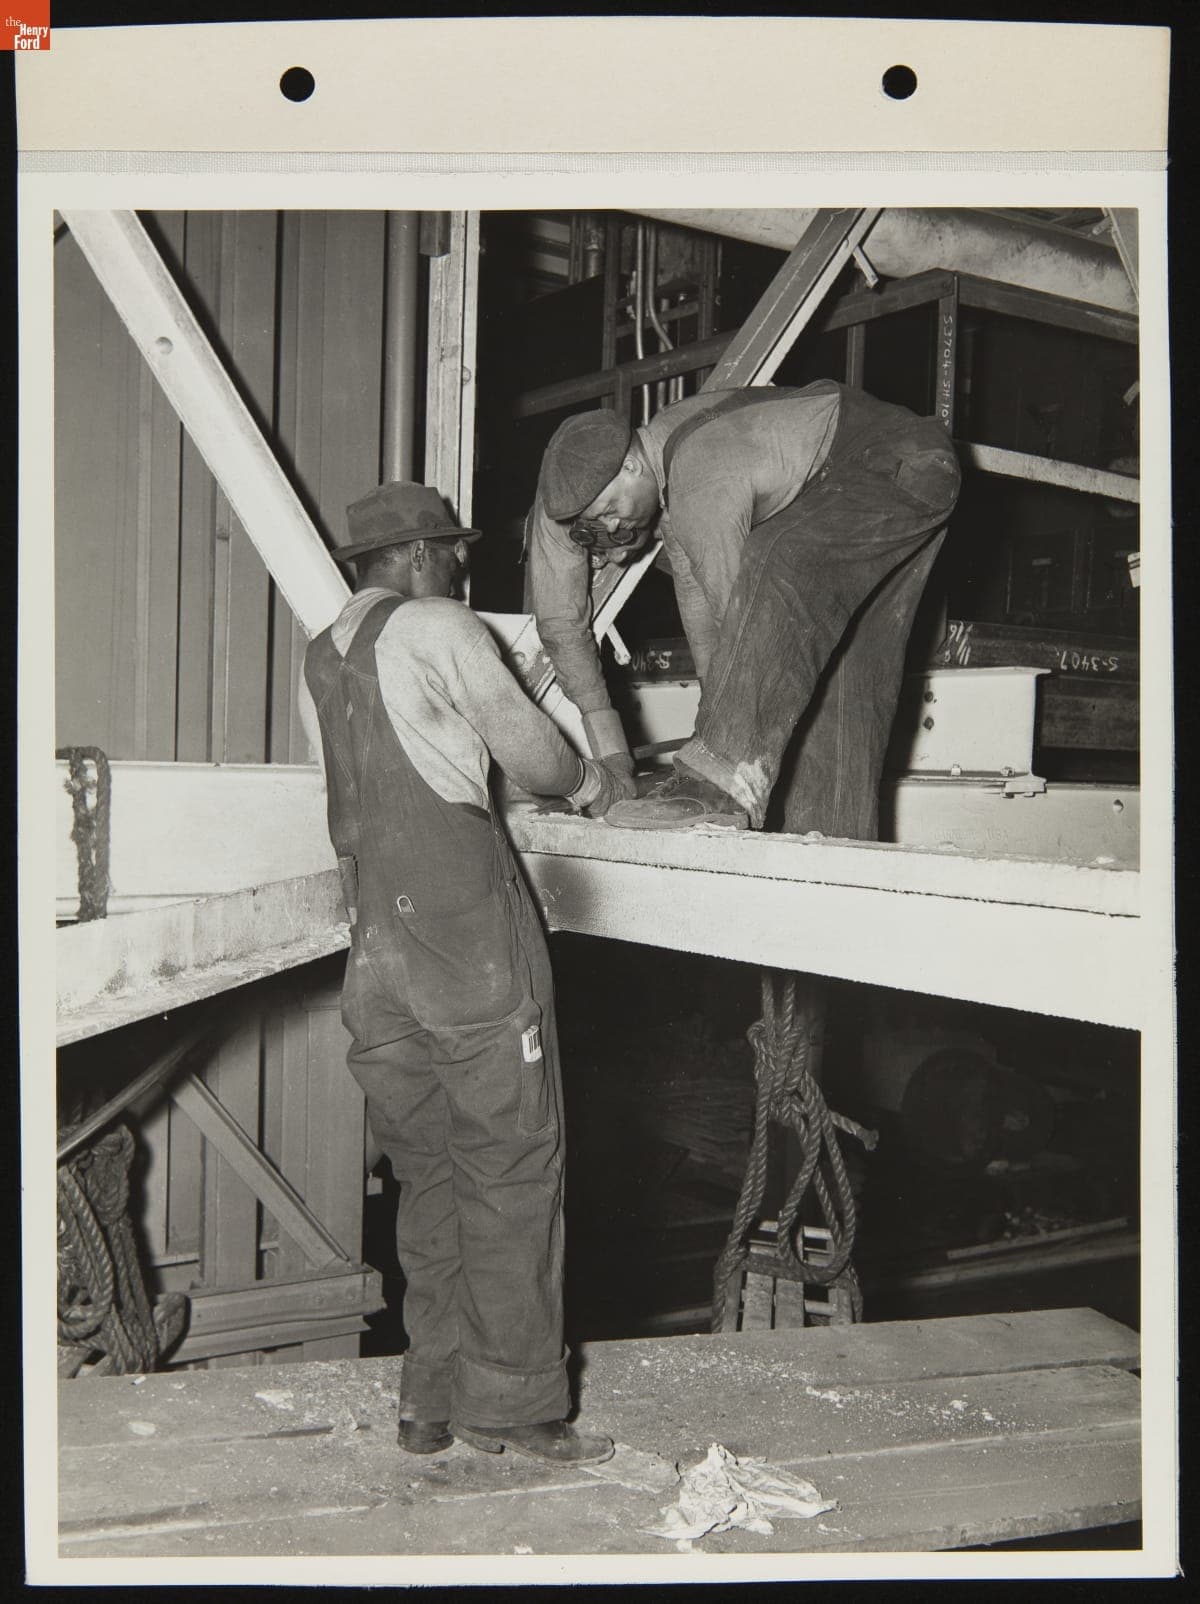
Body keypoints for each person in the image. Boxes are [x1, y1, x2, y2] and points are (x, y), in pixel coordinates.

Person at [303, 481, 620, 1464]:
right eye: (449, 551)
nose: (458, 567)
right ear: (417, 556)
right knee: (514, 1161)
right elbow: (530, 755)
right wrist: (593, 777)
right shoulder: (441, 623)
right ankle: (514, 1405)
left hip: (375, 952)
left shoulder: (322, 650)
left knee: (430, 1168)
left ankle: (427, 1395)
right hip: (462, 936)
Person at [525, 380, 961, 839]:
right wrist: (618, 756)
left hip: (891, 461)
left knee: (778, 559)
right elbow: (711, 621)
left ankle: (717, 784)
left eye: (611, 508)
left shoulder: (699, 477)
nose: (612, 528)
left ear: (632, 465)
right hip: (899, 475)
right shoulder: (666, 474)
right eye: (596, 526)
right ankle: (833, 854)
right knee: (839, 678)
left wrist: (710, 753)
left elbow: (742, 620)